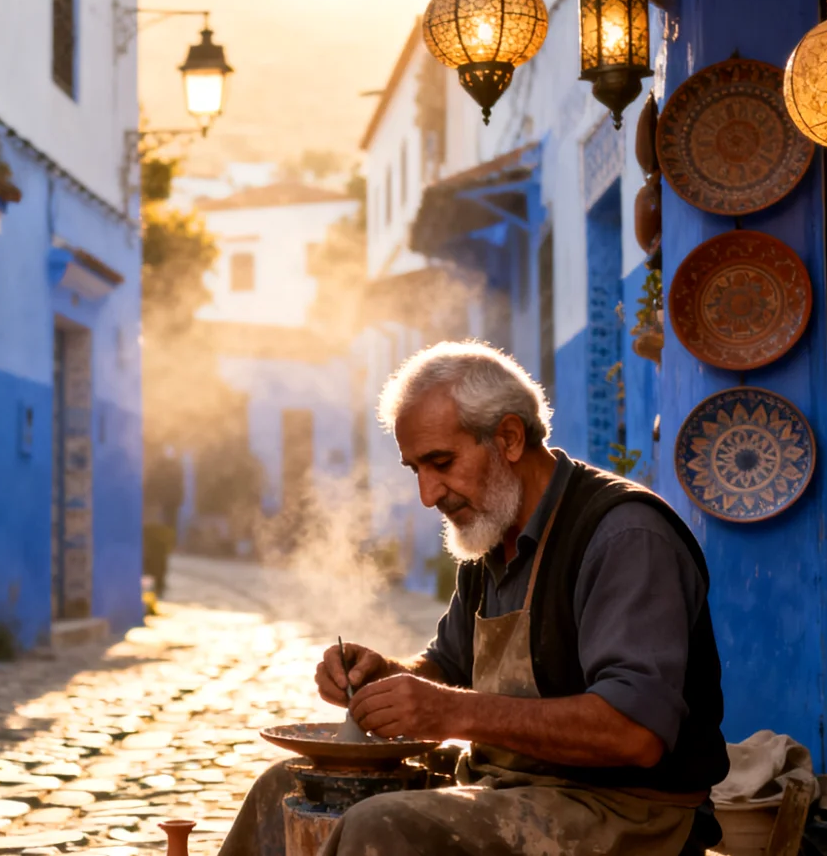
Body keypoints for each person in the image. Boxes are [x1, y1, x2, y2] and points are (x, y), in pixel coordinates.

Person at [219, 342, 728, 856]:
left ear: (509, 437)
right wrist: (387, 677)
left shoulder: (625, 537)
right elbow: (447, 668)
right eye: (415, 469)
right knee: (284, 787)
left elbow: (634, 732)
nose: (428, 494)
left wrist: (451, 712)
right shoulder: (491, 534)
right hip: (509, 786)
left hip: (626, 813)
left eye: (441, 462)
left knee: (381, 824)